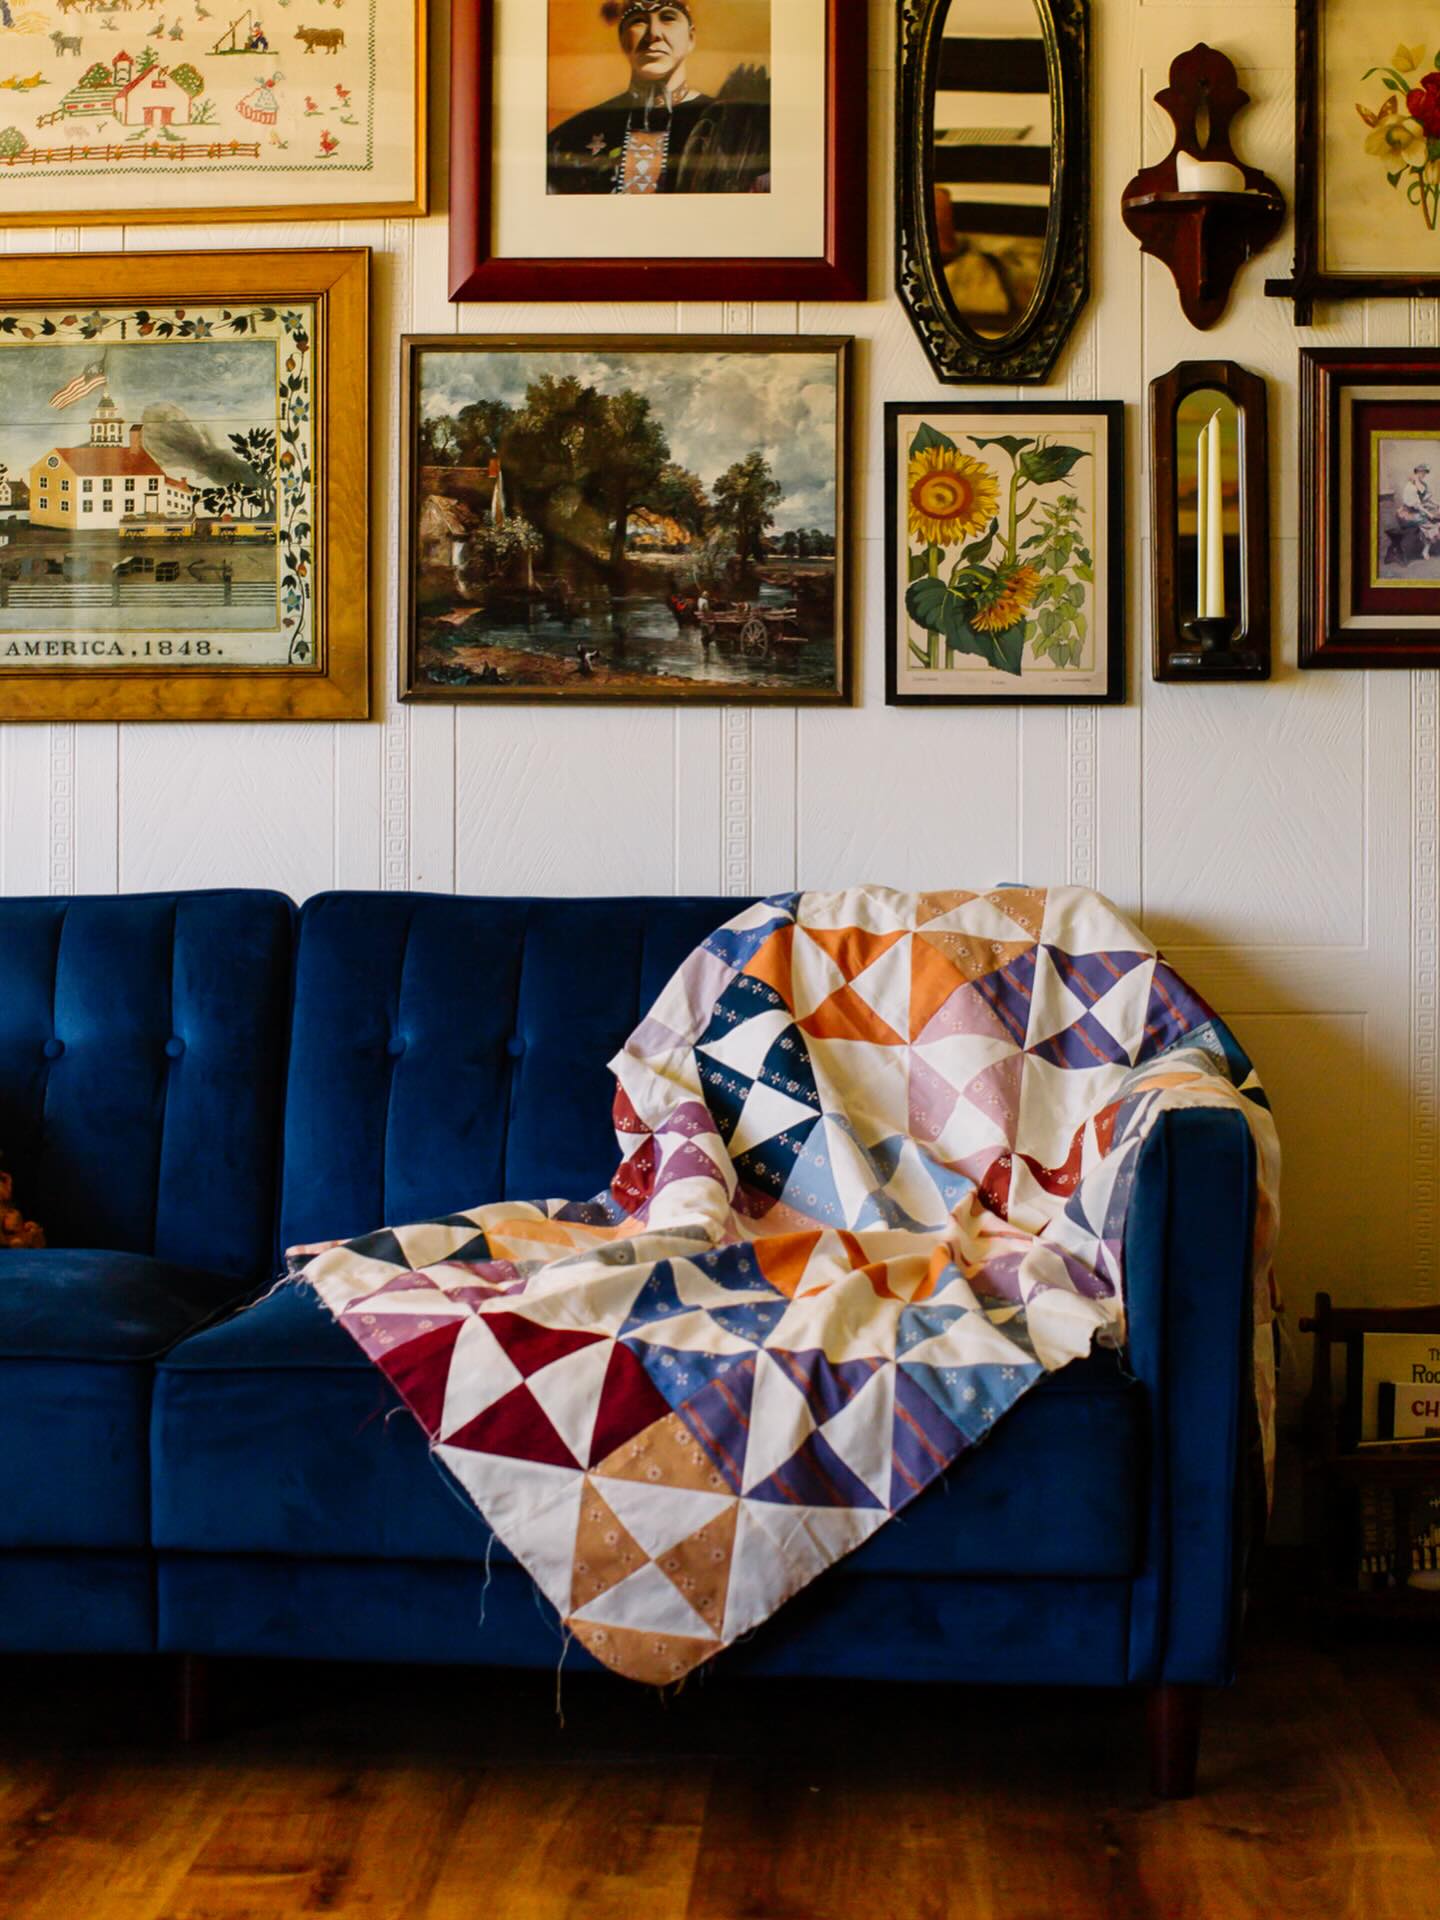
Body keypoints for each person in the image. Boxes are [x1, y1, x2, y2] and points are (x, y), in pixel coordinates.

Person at [547, 1, 770, 197]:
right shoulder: (570, 138)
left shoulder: (736, 129)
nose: (653, 33)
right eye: (638, 21)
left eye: (668, 18)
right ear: (623, 39)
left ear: (691, 38)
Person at [1398, 461, 1440, 558]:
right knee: (1431, 523)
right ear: (1416, 472)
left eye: (1424, 472)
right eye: (1421, 472)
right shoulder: (1410, 487)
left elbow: (1427, 498)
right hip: (1407, 513)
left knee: (1435, 520)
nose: (1423, 474)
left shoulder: (1422, 485)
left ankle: (1428, 548)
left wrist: (1438, 504)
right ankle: (1425, 550)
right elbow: (1416, 505)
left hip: (1418, 511)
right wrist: (1429, 513)